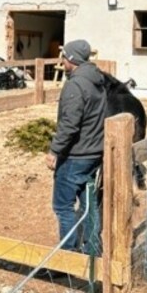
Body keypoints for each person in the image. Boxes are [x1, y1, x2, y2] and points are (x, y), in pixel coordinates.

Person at [46, 39, 105, 254]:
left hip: (75, 155)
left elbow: (69, 125)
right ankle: (93, 251)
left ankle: (68, 255)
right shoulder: (97, 81)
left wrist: (54, 151)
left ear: (71, 59)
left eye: (64, 57)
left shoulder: (75, 86)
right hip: (93, 154)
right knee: (89, 206)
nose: (62, 61)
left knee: (63, 206)